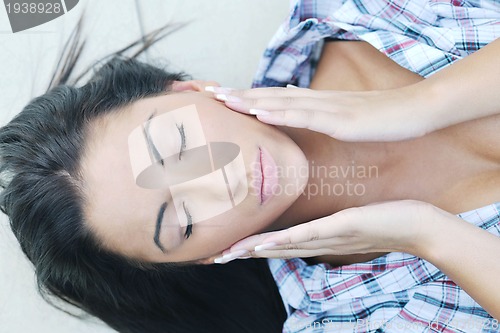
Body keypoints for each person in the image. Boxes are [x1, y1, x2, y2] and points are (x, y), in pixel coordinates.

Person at [0, 1, 498, 333]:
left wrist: (422, 104)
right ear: (202, 258)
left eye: (177, 143)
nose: (222, 179)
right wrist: (425, 233)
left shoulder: (351, 14)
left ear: (191, 91)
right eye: (183, 221)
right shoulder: (348, 316)